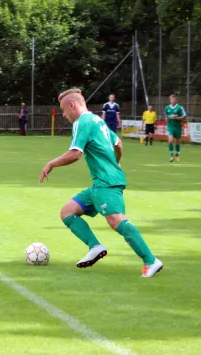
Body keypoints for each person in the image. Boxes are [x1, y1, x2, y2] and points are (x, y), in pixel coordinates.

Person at [39, 88, 162, 278]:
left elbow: (75, 154)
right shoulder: (98, 120)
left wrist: (51, 164)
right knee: (67, 212)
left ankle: (151, 260)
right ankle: (95, 246)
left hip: (106, 182)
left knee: (116, 220)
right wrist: (117, 162)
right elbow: (118, 143)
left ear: (72, 105)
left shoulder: (82, 122)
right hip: (101, 182)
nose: (64, 115)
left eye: (64, 110)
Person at [165, 94, 187, 162]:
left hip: (178, 127)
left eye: (174, 99)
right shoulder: (167, 107)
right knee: (170, 140)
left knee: (177, 142)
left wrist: (176, 117)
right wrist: (166, 120)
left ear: (176, 100)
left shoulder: (180, 107)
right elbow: (166, 116)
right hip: (170, 126)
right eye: (171, 99)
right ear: (170, 100)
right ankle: (171, 156)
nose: (172, 100)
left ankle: (177, 156)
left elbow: (184, 117)